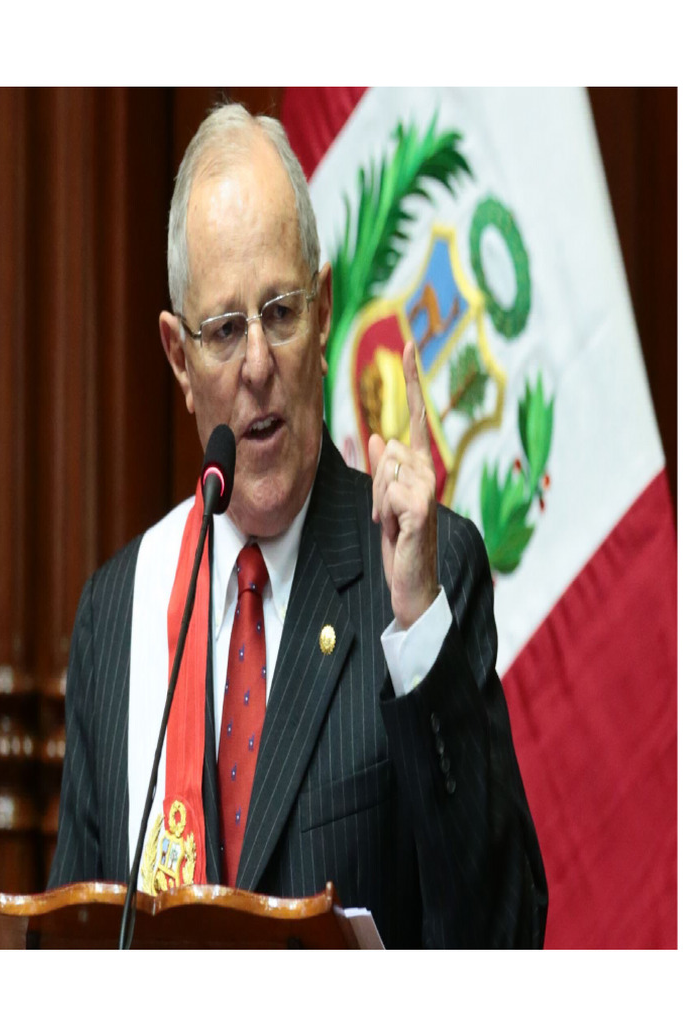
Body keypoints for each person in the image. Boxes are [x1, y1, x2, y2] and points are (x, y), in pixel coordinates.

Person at [49, 102, 548, 948]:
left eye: (280, 312)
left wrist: (419, 634)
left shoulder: (423, 576)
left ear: (322, 315)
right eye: (223, 330)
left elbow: (502, 938)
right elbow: (80, 945)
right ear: (178, 356)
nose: (256, 365)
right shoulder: (118, 615)